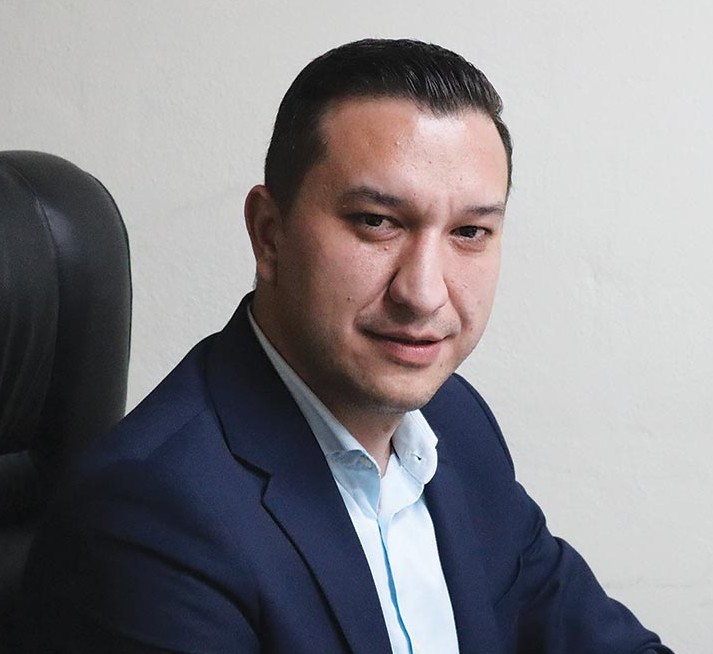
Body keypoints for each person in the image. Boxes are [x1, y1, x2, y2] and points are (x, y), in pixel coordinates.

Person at [23, 39, 673, 653]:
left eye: (470, 232)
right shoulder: (150, 516)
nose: (424, 293)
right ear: (269, 234)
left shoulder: (456, 424)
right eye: (377, 222)